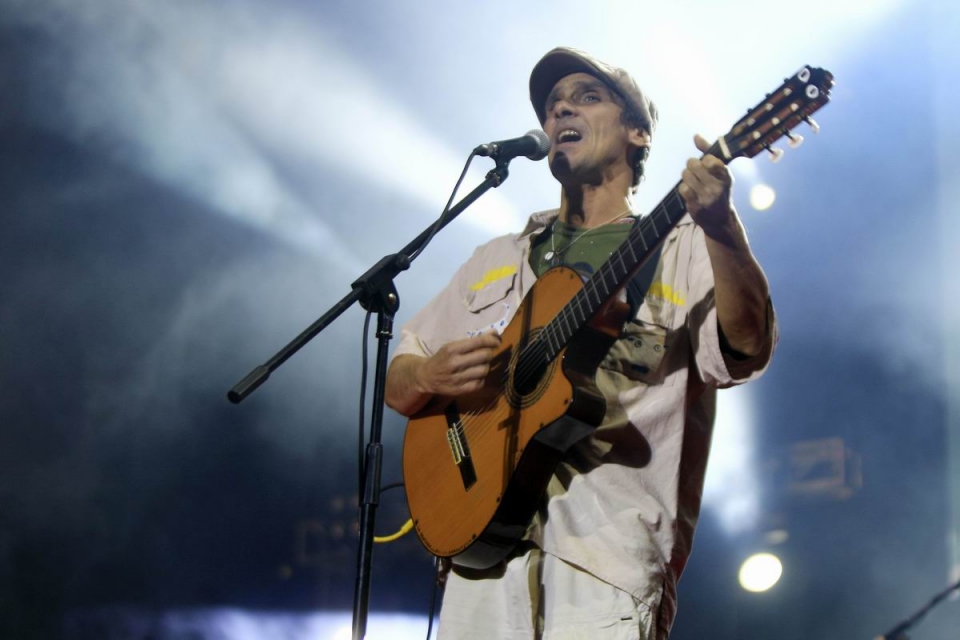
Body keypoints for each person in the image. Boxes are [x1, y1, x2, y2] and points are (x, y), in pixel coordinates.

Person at [385, 47, 777, 640]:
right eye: (552, 104)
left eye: (587, 96)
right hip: (478, 564)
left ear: (638, 133)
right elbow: (398, 376)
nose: (560, 106)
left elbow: (746, 350)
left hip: (603, 562)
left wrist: (721, 226)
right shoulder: (496, 258)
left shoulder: (683, 244)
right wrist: (428, 376)